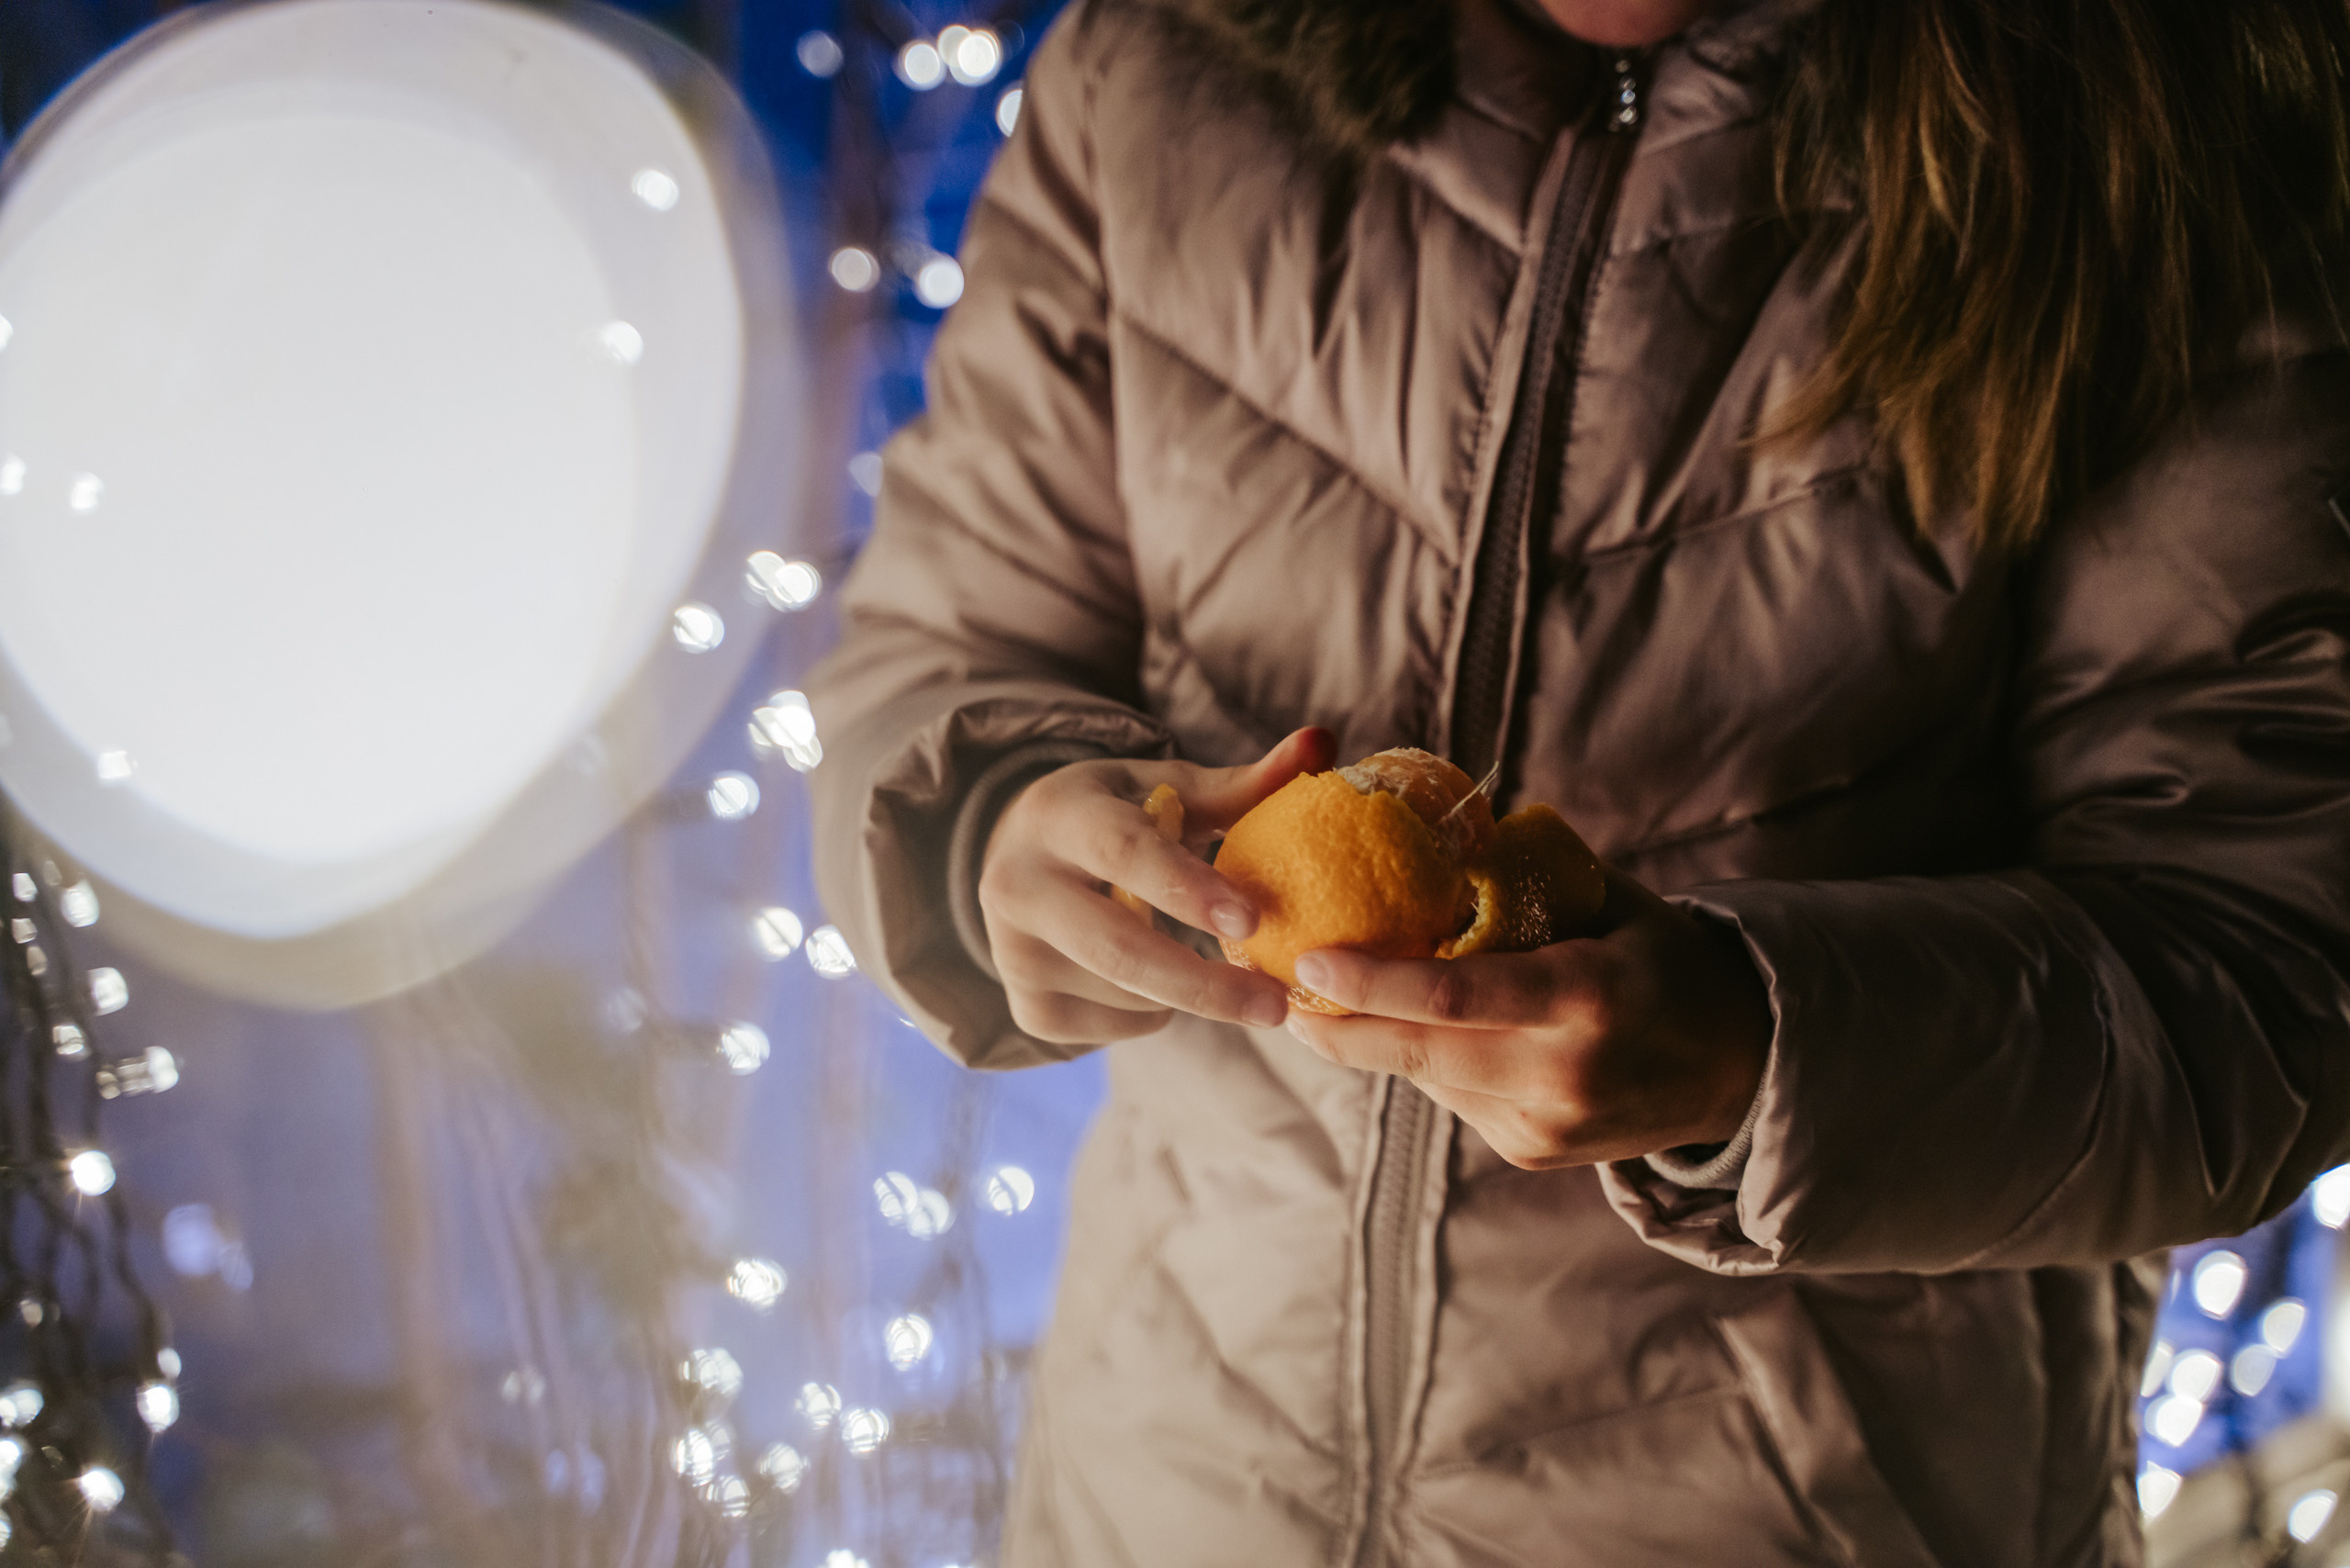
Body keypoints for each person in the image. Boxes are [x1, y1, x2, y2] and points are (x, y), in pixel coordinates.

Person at [806, 0, 2350, 1560]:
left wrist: (1764, 1056)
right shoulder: (1160, 58)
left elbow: (2274, 960)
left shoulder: (2161, 114)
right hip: (1173, 1489)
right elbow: (942, 649)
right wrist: (993, 824)